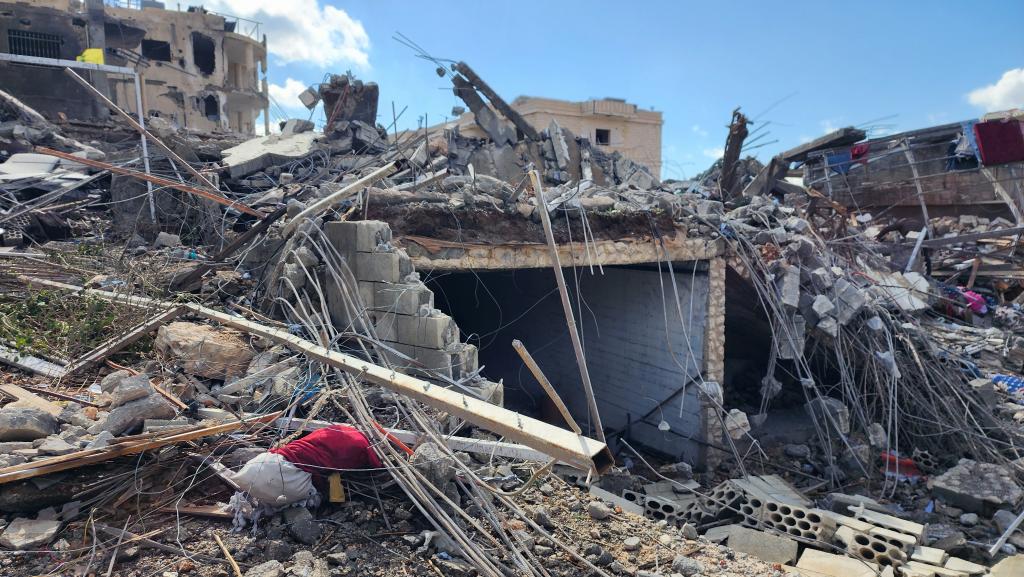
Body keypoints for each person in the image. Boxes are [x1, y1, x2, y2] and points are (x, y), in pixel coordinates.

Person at [231, 424, 382, 508]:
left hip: (264, 461)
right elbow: (371, 464)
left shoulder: (333, 430)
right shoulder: (358, 445)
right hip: (284, 473)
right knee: (317, 493)